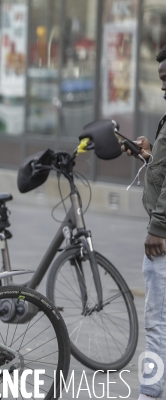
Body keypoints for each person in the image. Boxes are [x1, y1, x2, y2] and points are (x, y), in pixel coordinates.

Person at [122, 46, 166, 400]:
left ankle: (151, 393)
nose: (163, 87)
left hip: (163, 236)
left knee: (157, 323)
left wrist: (159, 228)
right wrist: (150, 154)